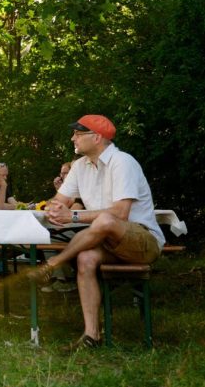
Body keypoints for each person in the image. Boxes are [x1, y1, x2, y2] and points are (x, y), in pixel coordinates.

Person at [30, 115, 165, 350]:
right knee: (86, 258)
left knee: (105, 220)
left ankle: (54, 263)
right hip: (107, 241)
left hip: (143, 241)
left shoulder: (122, 162)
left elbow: (121, 213)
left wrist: (71, 215)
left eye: (78, 134)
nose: (73, 138)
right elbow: (59, 199)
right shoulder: (79, 166)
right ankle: (91, 335)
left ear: (97, 137)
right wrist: (53, 208)